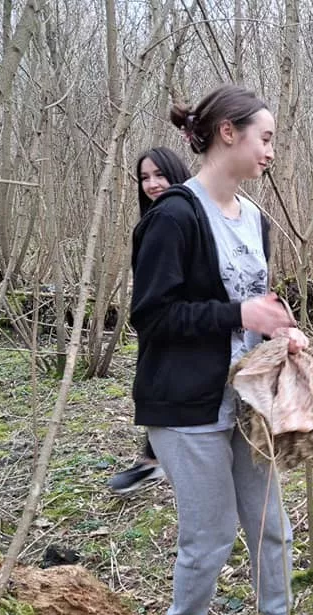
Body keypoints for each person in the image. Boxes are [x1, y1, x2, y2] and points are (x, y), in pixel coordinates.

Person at [130, 85, 306, 615]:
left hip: (250, 401)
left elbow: (254, 301)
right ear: (228, 132)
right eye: (265, 138)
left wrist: (281, 330)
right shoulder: (174, 216)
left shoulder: (255, 218)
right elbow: (151, 316)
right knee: (209, 534)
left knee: (269, 523)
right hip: (187, 405)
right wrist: (238, 314)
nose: (271, 151)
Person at [108, 147, 191, 496]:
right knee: (156, 384)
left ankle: (154, 460)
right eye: (144, 177)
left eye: (160, 175)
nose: (152, 184)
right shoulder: (155, 220)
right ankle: (151, 459)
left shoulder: (174, 218)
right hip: (160, 321)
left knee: (163, 386)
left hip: (181, 321)